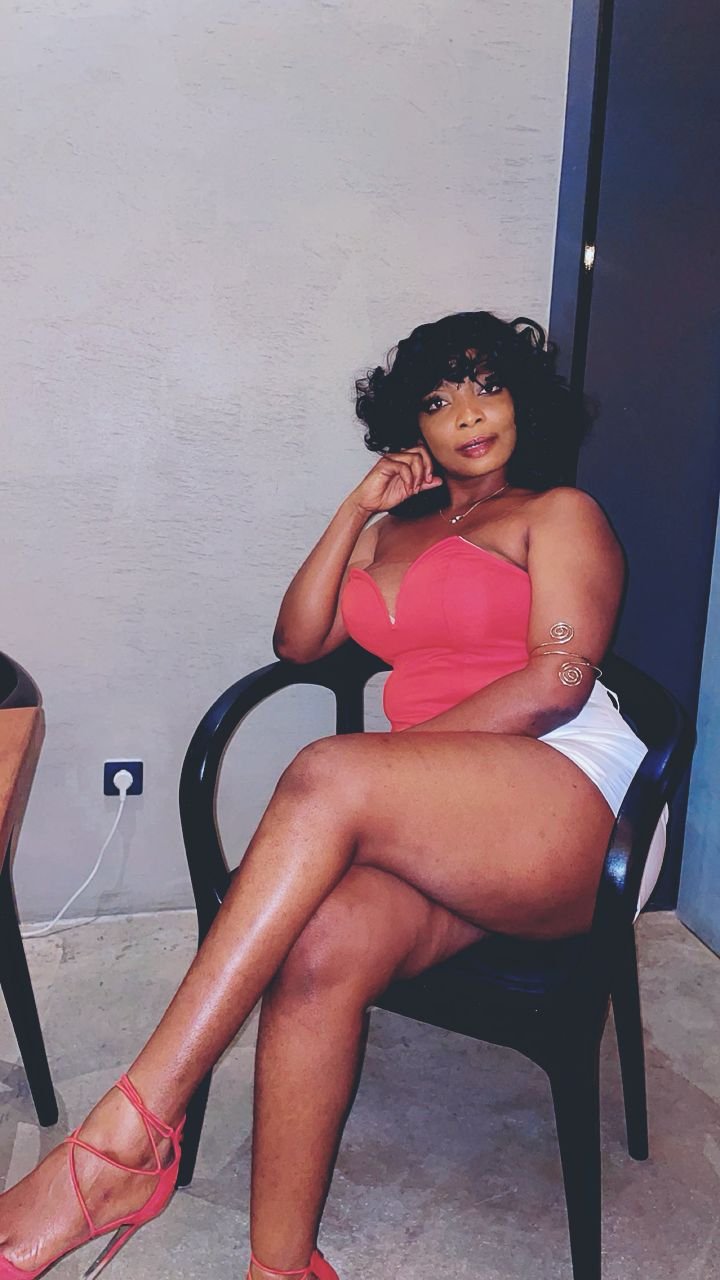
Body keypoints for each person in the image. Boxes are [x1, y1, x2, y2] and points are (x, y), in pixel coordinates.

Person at [0, 309, 668, 1280]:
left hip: (569, 792)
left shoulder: (558, 512)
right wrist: (357, 508)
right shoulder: (394, 529)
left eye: (487, 386)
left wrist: (373, 783)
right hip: (441, 817)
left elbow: (557, 680)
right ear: (412, 426)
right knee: (318, 947)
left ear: (524, 399)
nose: (467, 413)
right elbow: (300, 640)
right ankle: (281, 1267)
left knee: (329, 771)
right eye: (438, 399)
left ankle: (120, 1144)